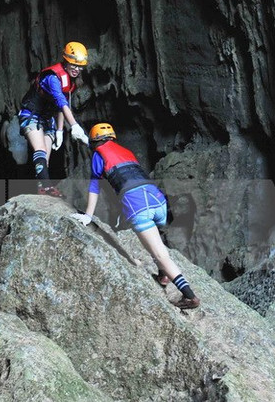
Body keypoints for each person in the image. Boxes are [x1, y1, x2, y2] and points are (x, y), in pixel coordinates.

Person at [70, 123, 200, 309]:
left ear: (94, 141)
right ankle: (163, 275)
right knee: (155, 238)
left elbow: (94, 186)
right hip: (158, 200)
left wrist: (88, 216)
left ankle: (189, 296)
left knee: (160, 254)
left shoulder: (98, 155)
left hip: (138, 205)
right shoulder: (125, 151)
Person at [18, 42, 90, 196]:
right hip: (31, 114)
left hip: (48, 118)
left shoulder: (71, 81)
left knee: (46, 158)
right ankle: (47, 188)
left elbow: (61, 106)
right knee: (40, 150)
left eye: (80, 66)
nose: (77, 69)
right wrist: (74, 125)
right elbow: (60, 101)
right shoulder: (52, 77)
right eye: (74, 65)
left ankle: (41, 188)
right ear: (66, 61)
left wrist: (59, 130)